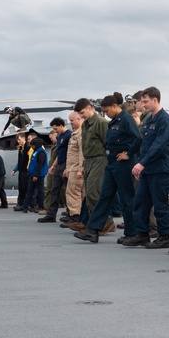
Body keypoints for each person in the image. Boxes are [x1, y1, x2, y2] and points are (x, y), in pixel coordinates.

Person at [75, 93, 142, 243]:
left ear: (114, 106)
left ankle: (132, 233)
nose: (106, 114)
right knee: (104, 196)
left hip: (123, 164)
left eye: (107, 111)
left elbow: (138, 138)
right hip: (111, 163)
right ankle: (93, 230)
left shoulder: (126, 119)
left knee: (126, 198)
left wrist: (129, 154)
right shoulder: (113, 122)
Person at [126, 87, 169, 249]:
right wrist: (141, 164)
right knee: (141, 202)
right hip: (148, 169)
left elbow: (159, 146)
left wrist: (142, 163)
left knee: (160, 204)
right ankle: (142, 234)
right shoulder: (151, 120)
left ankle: (164, 236)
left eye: (146, 101)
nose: (143, 104)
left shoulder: (164, 120)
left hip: (160, 169)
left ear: (155, 100)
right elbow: (146, 146)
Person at [67, 98, 112, 235]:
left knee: (93, 192)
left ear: (90, 108)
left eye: (82, 112)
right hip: (89, 160)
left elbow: (107, 143)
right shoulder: (86, 125)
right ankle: (96, 222)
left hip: (99, 159)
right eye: (79, 114)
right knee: (89, 194)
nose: (81, 116)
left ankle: (106, 222)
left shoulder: (101, 123)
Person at [41, 118, 71, 223]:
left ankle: (71, 213)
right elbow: (59, 154)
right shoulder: (59, 137)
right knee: (54, 190)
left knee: (69, 191)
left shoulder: (69, 135)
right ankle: (51, 214)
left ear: (61, 125)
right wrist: (53, 166)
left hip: (67, 165)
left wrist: (68, 168)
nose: (55, 130)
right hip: (59, 165)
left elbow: (71, 153)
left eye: (56, 128)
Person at [62, 111, 85, 223]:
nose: (70, 123)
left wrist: (80, 169)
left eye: (72, 120)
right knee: (75, 193)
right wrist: (67, 168)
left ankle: (76, 216)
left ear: (79, 119)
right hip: (72, 168)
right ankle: (77, 215)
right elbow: (71, 154)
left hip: (77, 169)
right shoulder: (74, 133)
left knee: (73, 193)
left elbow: (82, 153)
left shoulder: (80, 134)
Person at [20, 137, 48, 213]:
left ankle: (41, 206)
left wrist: (36, 175)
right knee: (29, 190)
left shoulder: (41, 152)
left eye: (32, 145)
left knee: (40, 191)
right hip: (32, 174)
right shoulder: (35, 151)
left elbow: (40, 165)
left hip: (38, 175)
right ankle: (25, 206)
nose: (31, 146)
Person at [12, 132, 34, 210]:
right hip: (21, 170)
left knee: (25, 187)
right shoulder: (21, 148)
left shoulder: (28, 147)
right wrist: (15, 169)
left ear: (24, 138)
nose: (18, 141)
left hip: (26, 171)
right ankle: (21, 203)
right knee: (21, 187)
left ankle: (26, 204)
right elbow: (20, 160)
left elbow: (30, 160)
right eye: (17, 140)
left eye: (19, 139)